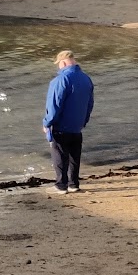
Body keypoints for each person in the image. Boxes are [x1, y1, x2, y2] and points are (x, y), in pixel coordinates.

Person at [43, 50, 94, 193]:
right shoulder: (86, 79)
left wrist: (47, 123)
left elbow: (54, 105)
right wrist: (84, 121)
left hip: (61, 125)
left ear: (63, 62)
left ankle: (61, 185)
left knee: (59, 154)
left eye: (59, 64)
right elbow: (90, 103)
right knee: (74, 156)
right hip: (77, 126)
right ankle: (74, 184)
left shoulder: (60, 80)